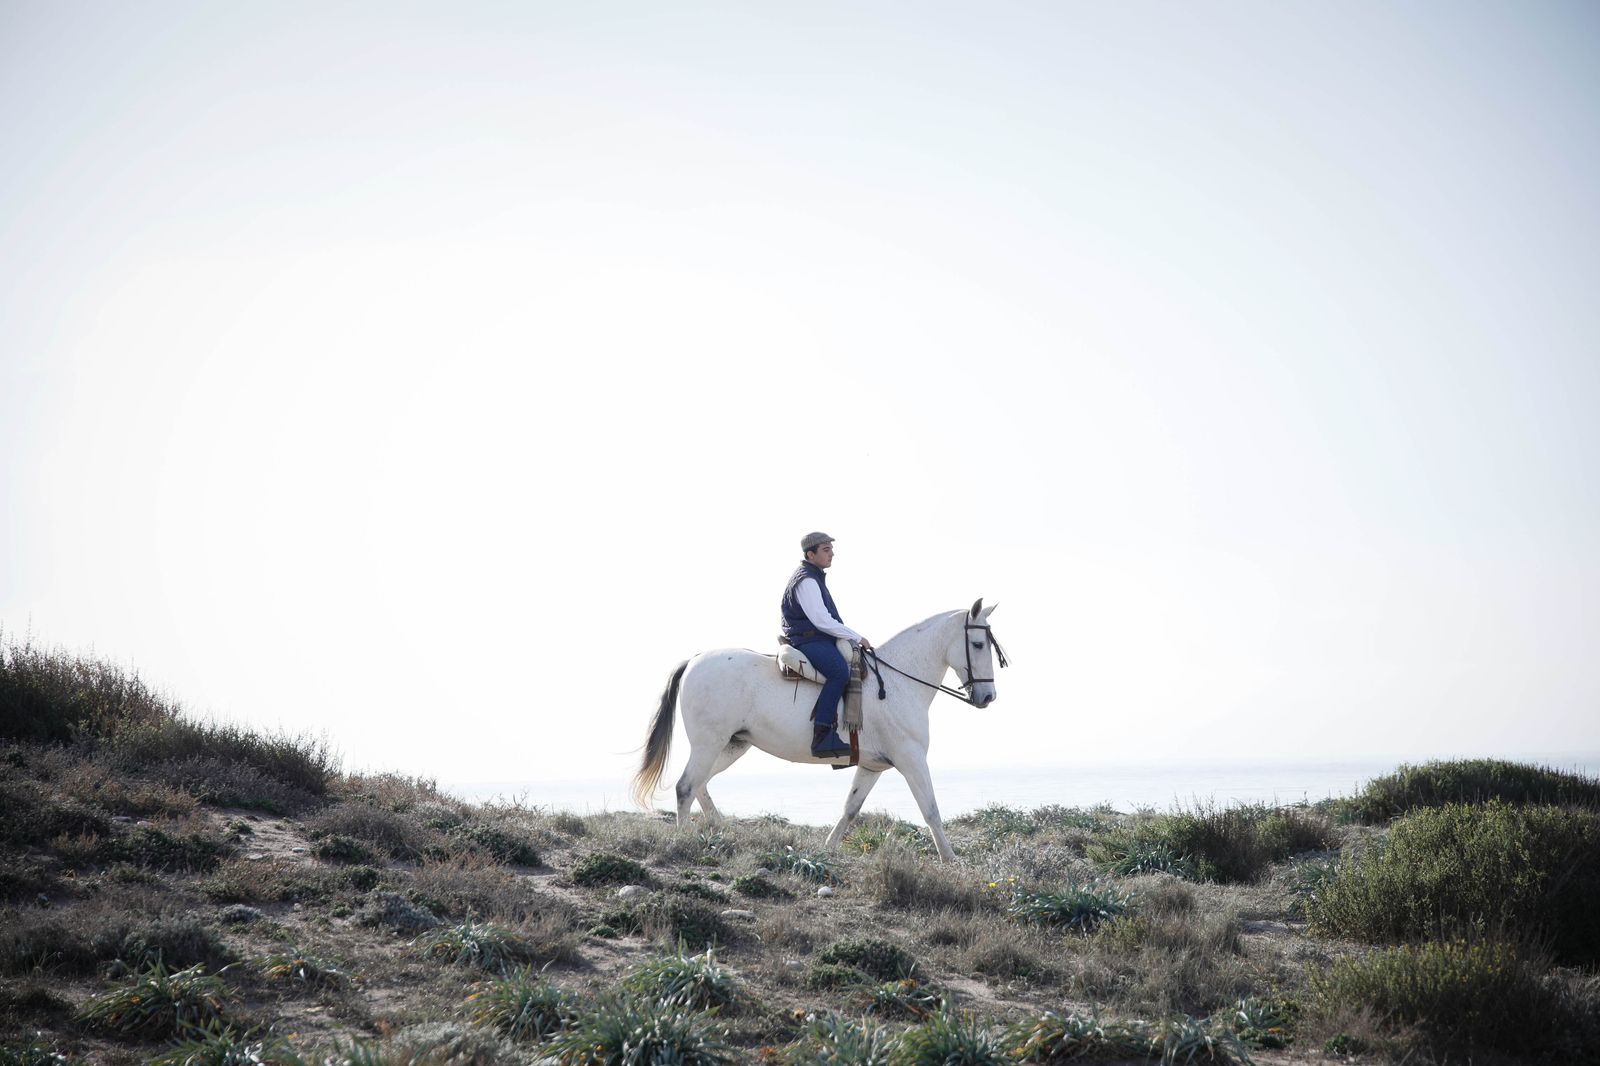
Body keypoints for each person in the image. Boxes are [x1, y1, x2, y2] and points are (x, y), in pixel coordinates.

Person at [779, 532, 873, 758]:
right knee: (839, 673)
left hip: (815, 637)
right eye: (826, 549)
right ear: (810, 554)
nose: (832, 553)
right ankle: (822, 734)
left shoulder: (814, 577)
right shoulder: (807, 580)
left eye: (831, 549)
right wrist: (857, 637)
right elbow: (821, 620)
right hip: (808, 639)